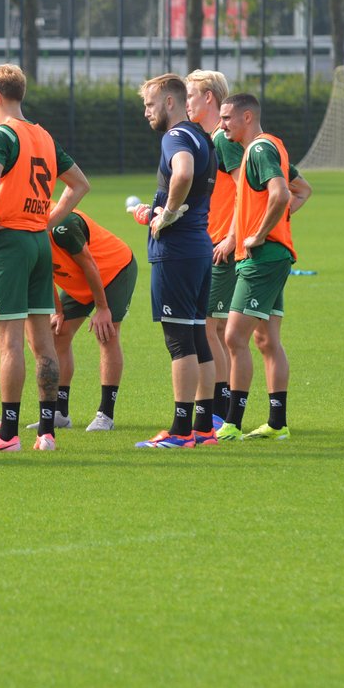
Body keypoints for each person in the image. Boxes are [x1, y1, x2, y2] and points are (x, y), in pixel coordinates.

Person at [0, 64, 91, 454]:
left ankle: (7, 435)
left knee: (9, 344)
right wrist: (45, 220)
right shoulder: (43, 136)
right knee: (43, 344)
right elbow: (79, 185)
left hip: (11, 244)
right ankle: (47, 432)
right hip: (38, 242)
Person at [215, 93, 310, 441]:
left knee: (233, 337)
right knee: (266, 339)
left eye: (227, 118)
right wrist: (269, 228)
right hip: (272, 255)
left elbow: (283, 194)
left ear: (247, 117)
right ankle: (277, 423)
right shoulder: (272, 147)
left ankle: (231, 424)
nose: (222, 124)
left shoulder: (258, 149)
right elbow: (304, 190)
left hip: (263, 258)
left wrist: (259, 233)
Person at [132, 74, 218, 449]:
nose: (146, 112)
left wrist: (165, 214)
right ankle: (204, 427)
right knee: (198, 338)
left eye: (150, 104)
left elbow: (182, 173)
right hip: (198, 247)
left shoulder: (176, 136)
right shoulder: (203, 136)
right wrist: (155, 208)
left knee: (179, 341)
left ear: (170, 102)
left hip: (178, 252)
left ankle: (181, 430)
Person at [39, 210, 137, 432]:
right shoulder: (20, 228)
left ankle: (106, 414)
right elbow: (41, 271)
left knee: (106, 334)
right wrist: (57, 310)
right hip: (80, 277)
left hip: (114, 270)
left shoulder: (63, 224)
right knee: (59, 332)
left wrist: (102, 308)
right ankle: (60, 413)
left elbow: (90, 265)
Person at [184, 70, 243, 428]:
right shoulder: (210, 139)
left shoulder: (222, 140)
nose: (186, 102)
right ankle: (223, 412)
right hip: (211, 242)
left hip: (222, 245)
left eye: (190, 95)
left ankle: (219, 413)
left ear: (208, 97)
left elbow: (245, 192)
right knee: (216, 331)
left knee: (209, 329)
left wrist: (232, 237)